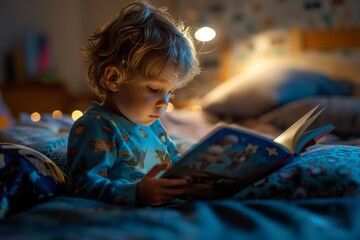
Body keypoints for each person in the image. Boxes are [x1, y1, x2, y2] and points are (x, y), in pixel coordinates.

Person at [66, 1, 200, 207]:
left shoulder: (153, 125)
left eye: (170, 93)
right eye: (154, 89)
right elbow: (84, 187)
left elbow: (174, 164)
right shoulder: (95, 127)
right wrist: (136, 193)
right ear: (113, 79)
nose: (163, 103)